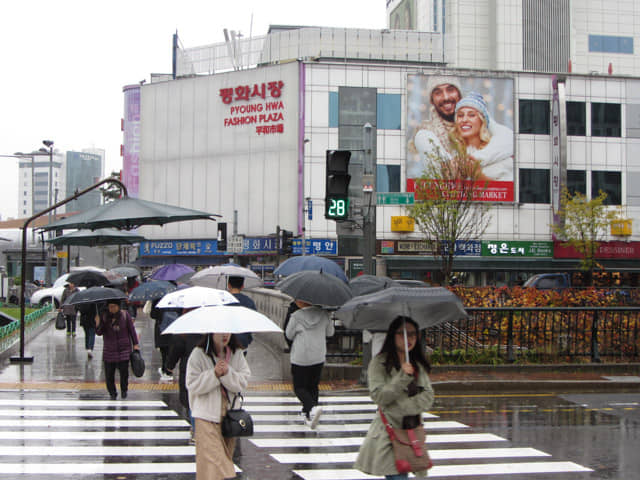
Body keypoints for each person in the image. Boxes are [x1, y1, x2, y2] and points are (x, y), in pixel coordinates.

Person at [355, 316, 435, 480]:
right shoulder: (379, 363)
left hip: (411, 430)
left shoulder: (417, 364)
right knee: (397, 476)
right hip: (388, 432)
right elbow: (379, 396)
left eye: (413, 334)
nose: (409, 338)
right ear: (393, 335)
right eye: (403, 333)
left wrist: (401, 407)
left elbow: (428, 397)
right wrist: (402, 377)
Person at [409, 77, 513, 179]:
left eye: (450, 90)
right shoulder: (426, 133)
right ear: (432, 101)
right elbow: (444, 173)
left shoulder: (478, 116)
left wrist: (473, 161)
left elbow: (510, 139)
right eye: (438, 93)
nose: (446, 97)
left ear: (459, 93)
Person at [186, 332, 250, 480]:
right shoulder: (198, 354)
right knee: (217, 463)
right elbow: (192, 384)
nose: (224, 335)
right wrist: (214, 374)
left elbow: (243, 381)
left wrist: (227, 373)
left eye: (227, 331)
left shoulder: (236, 353)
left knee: (211, 469)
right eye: (220, 331)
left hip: (229, 416)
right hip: (205, 415)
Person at [285, 299, 334, 429]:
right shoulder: (324, 314)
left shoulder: (296, 316)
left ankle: (312, 408)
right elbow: (330, 333)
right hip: (318, 355)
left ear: (301, 301)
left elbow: (289, 335)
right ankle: (310, 414)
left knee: (299, 387)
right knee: (313, 385)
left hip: (301, 356)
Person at [95, 299, 140, 400]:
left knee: (124, 373)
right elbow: (99, 332)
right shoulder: (105, 316)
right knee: (109, 375)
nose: (112, 309)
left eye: (114, 306)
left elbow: (131, 330)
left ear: (119, 307)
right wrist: (98, 323)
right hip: (109, 350)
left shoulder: (125, 315)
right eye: (110, 307)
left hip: (123, 349)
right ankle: (112, 393)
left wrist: (135, 344)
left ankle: (124, 390)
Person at [226, 275, 256, 351]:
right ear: (242, 286)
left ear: (228, 285)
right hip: (243, 342)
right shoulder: (249, 302)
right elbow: (254, 322)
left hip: (225, 342)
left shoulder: (223, 300)